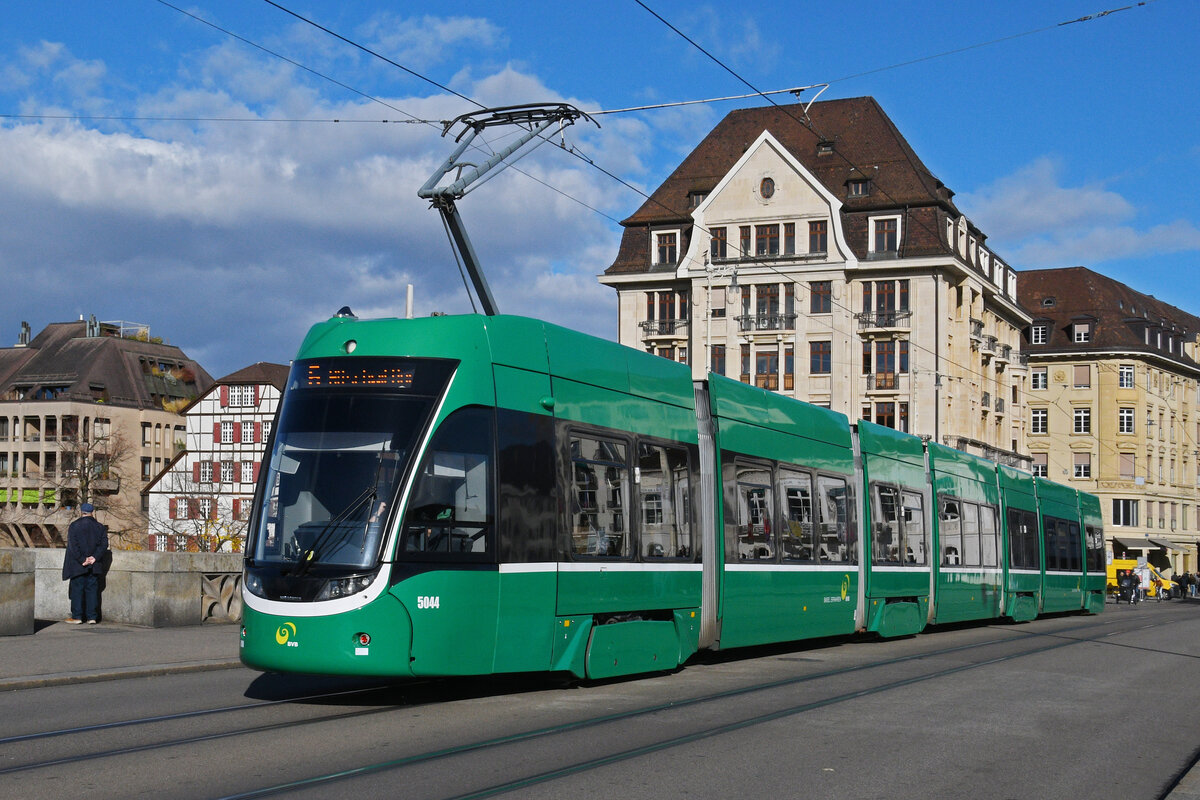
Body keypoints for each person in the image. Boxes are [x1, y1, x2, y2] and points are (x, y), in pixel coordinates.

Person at [61, 502, 109, 624]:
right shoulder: (100, 527)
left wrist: (82, 559)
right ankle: (92, 617)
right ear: (92, 512)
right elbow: (104, 545)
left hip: (78, 565)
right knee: (92, 590)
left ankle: (77, 617)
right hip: (94, 565)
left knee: (77, 590)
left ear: (82, 512)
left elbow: (73, 546)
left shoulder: (74, 526)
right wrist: (94, 558)